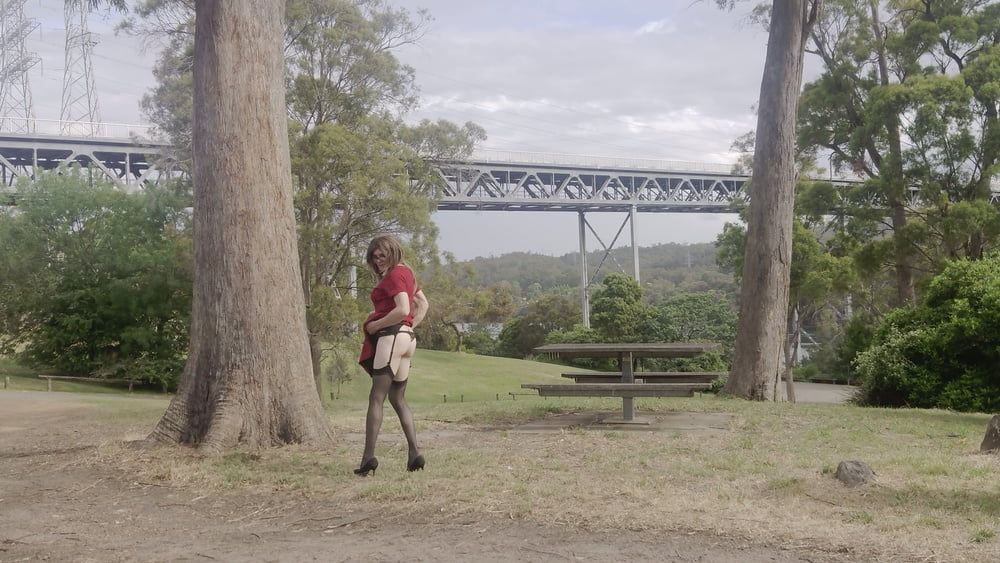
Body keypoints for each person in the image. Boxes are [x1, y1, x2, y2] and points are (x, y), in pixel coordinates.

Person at [355, 235, 429, 476]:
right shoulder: (407, 273)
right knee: (398, 398)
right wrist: (409, 327)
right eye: (374, 257)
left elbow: (404, 309)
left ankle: (368, 458)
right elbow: (422, 305)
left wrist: (377, 326)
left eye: (381, 255)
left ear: (393, 252)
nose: (377, 261)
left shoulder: (395, 274)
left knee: (376, 397)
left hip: (392, 338)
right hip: (406, 340)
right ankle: (414, 453)